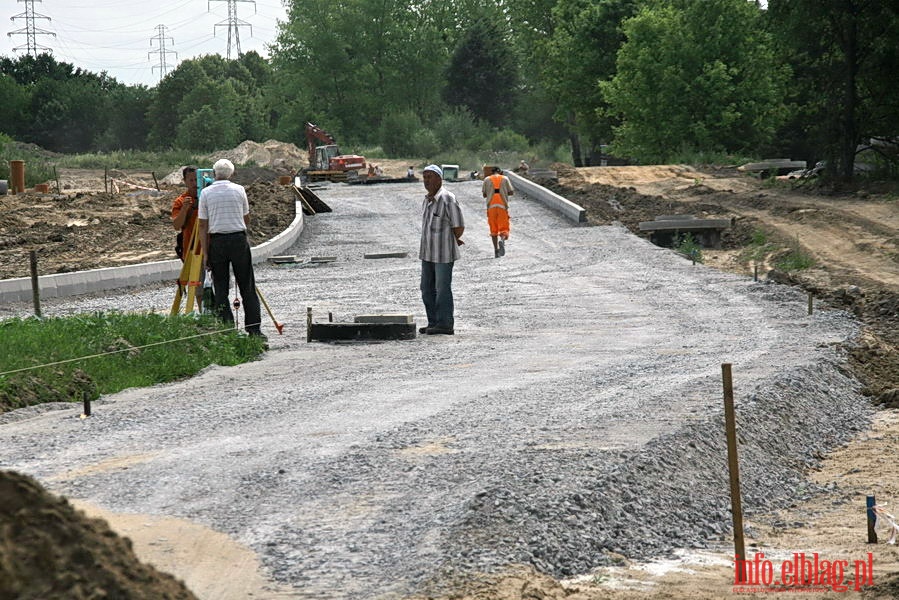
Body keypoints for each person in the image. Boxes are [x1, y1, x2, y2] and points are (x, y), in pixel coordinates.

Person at [198, 159, 266, 341]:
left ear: (214, 174)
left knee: (220, 288)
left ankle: (227, 330)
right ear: (232, 174)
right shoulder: (239, 190)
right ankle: (254, 331)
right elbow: (246, 219)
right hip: (238, 239)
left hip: (217, 242)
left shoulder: (205, 193)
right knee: (247, 287)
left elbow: (203, 226)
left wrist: (205, 254)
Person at [418, 164, 464, 336]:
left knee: (442, 288)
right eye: (424, 177)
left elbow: (458, 225)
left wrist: (452, 240)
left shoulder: (447, 198)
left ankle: (445, 324)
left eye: (430, 177)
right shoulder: (427, 199)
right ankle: (433, 322)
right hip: (427, 253)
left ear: (439, 178)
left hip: (443, 254)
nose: (427, 181)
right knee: (426, 288)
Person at [481, 166, 514, 258]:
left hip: (491, 207)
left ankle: (496, 251)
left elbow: (484, 194)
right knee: (504, 227)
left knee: (493, 229)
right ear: (500, 172)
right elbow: (511, 192)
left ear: (492, 172)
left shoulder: (487, 179)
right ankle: (502, 240)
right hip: (502, 206)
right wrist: (503, 191)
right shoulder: (505, 178)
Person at [171, 166, 199, 261]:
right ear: (185, 181)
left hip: (210, 247)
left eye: (196, 179)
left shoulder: (208, 196)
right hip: (191, 249)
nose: (194, 183)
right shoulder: (180, 201)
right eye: (191, 180)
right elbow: (176, 226)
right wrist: (184, 209)